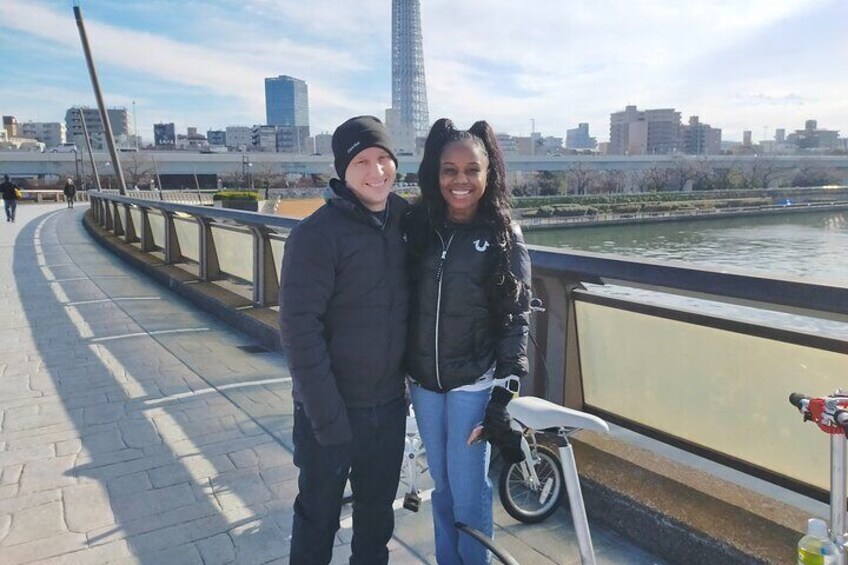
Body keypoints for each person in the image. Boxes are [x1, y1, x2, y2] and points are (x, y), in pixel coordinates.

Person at [278, 116, 409, 565]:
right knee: (317, 521)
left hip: (388, 407)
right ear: (343, 171)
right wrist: (329, 420)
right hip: (328, 411)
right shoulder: (315, 236)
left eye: (383, 159)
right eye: (362, 162)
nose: (376, 172)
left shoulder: (405, 221)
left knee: (376, 523)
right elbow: (298, 331)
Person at [403, 118, 532, 564]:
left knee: (468, 489)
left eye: (471, 170)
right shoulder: (418, 228)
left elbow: (517, 316)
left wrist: (505, 390)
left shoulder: (501, 233)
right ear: (434, 174)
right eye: (449, 170)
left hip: (472, 384)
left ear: (488, 173)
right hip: (423, 382)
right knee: (441, 485)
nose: (461, 180)